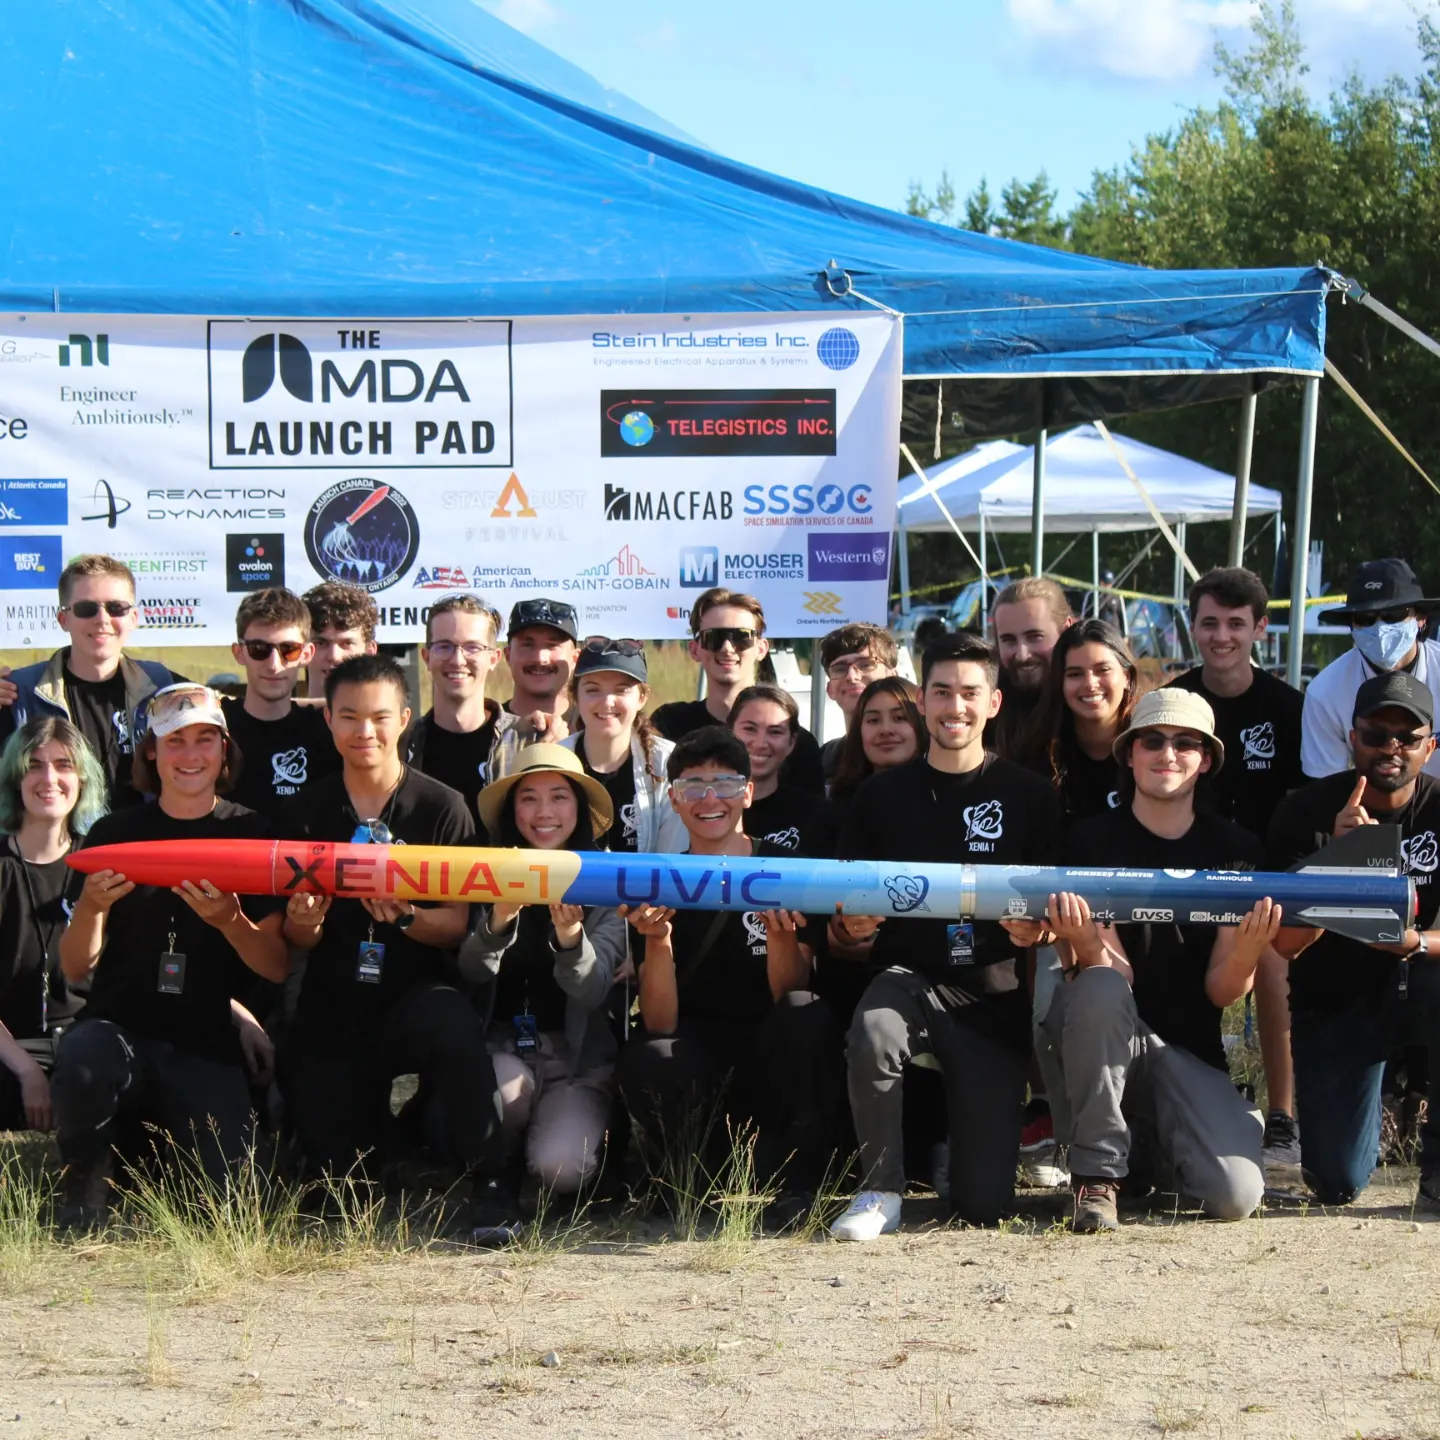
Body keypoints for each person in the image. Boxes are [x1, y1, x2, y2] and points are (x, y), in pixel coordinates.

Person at [1008, 689, 1274, 1233]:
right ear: (1129, 755)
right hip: (1107, 1034)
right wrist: (1083, 940)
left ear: (1206, 760)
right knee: (1101, 989)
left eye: (1185, 743)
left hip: (1189, 1054)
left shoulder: (1237, 849)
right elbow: (1116, 977)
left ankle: (1153, 1153)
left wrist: (1250, 949)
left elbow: (1223, 990)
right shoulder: (1088, 842)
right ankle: (1096, 1177)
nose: (1167, 754)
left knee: (1234, 1196)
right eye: (1152, 741)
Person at [830, 633, 1062, 1241]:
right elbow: (846, 913)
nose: (954, 707)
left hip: (990, 993)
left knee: (982, 1207)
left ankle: (955, 1162)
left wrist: (1037, 929)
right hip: (906, 978)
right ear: (923, 701)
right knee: (875, 1028)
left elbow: (1051, 914)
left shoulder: (1031, 796)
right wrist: (853, 923)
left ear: (993, 702)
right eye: (941, 692)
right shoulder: (879, 796)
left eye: (969, 693)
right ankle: (880, 1190)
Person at [52, 684, 288, 1227]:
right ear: (151, 752)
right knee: (86, 1060)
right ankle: (83, 1186)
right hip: (118, 1027)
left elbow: (275, 965)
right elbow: (74, 966)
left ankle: (149, 1162)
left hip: (204, 1037)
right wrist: (91, 907)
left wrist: (230, 920)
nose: (190, 754)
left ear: (225, 751)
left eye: (205, 739)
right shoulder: (114, 833)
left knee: (231, 1208)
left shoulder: (251, 834)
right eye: (174, 740)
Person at [276, 655, 497, 1219]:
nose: (364, 732)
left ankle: (492, 1183)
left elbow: (455, 927)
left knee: (453, 1024)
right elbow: (293, 938)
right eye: (349, 717)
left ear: (404, 719)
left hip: (415, 996)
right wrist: (305, 923)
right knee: (335, 1198)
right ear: (329, 719)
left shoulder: (444, 807)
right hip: (333, 1002)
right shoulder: (305, 811)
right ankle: (385, 1147)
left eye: (379, 717)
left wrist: (405, 918)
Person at [617, 726, 841, 1207]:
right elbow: (660, 1022)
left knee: (806, 1013)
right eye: (693, 786)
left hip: (769, 1054)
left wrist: (780, 936)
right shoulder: (659, 878)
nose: (709, 799)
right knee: (651, 1054)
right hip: (697, 1058)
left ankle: (798, 1181)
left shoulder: (787, 867)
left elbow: (791, 992)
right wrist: (658, 940)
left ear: (748, 792)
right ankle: (685, 1178)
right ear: (674, 800)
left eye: (724, 784)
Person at [1269, 671, 1440, 1208]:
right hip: (1338, 1001)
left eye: (1407, 737)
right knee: (1338, 1180)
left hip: (1423, 981)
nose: (1391, 748)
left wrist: (1416, 943)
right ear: (1352, 737)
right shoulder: (1305, 810)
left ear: (1431, 746)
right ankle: (1374, 1110)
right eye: (1375, 734)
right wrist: (1336, 862)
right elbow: (1284, 945)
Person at [1166, 565, 1305, 1166]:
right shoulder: (1175, 702)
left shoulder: (1288, 707)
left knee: (1272, 959)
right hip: (1189, 873)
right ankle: (1177, 1095)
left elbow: (1305, 802)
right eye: (1209, 623)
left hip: (1267, 878)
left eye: (1235, 624)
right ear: (1192, 626)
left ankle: (1283, 1116)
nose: (1221, 636)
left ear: (1260, 629)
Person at [459, 747, 627, 1200]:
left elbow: (593, 990)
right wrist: (498, 921)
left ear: (579, 808)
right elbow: (470, 971)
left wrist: (571, 937)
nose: (544, 812)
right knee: (502, 1095)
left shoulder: (607, 880)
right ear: (512, 810)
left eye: (559, 797)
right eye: (529, 798)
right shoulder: (484, 871)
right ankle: (499, 1165)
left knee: (563, 1168)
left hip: (576, 1062)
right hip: (501, 1048)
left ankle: (550, 1151)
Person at [0, 555, 181, 809]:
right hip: (59, 834)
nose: (102, 619)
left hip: (143, 832)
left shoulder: (161, 684)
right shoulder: (20, 691)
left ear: (133, 618)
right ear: (63, 619)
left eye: (116, 607)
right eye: (87, 608)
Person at [0, 718, 107, 1132]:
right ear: (15, 778)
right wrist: (27, 1071)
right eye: (34, 765)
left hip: (86, 1044)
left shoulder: (102, 865)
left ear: (82, 779)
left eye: (63, 765)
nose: (49, 779)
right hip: (9, 1046)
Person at [651, 587, 825, 793]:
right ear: (695, 650)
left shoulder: (796, 743)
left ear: (761, 648)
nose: (727, 648)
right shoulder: (669, 725)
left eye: (742, 637)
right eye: (714, 638)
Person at [406, 595, 539, 832]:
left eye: (472, 647)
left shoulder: (529, 742)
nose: (457, 660)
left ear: (494, 658)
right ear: (426, 657)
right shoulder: (401, 745)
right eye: (444, 646)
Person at [1302, 559, 1440, 780]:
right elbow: (1326, 785)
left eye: (1394, 614)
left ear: (1421, 618)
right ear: (1351, 625)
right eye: (1365, 618)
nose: (1380, 627)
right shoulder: (1324, 694)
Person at [222, 587, 340, 821]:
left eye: (289, 650)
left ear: (307, 654)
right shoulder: (215, 730)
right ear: (239, 653)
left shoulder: (329, 733)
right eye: (259, 649)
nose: (274, 665)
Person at [559, 638, 685, 854]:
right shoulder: (555, 760)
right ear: (575, 697)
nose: (607, 701)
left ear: (642, 697)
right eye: (593, 690)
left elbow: (670, 858)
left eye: (621, 690)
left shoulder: (668, 762)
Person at [1024, 619, 1140, 822]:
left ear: (1127, 678)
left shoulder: (1151, 746)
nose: (1090, 684)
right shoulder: (1038, 755)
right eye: (1075, 674)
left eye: (1103, 670)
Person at [728, 684, 821, 853]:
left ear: (791, 743)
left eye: (775, 732)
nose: (760, 743)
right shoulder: (707, 805)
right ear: (730, 733)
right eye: (750, 729)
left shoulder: (817, 816)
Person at [988, 578, 1075, 761]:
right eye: (1009, 640)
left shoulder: (1091, 694)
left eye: (1035, 637)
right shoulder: (984, 707)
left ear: (1066, 630)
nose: (1022, 655)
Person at [816, 623, 898, 780]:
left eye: (865, 664)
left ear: (893, 676)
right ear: (830, 689)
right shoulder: (825, 759)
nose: (851, 676)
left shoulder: (919, 751)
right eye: (840, 668)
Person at [502, 598, 580, 740]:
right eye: (528, 645)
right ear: (508, 655)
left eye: (552, 645)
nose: (540, 658)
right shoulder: (487, 726)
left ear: (575, 658)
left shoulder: (592, 726)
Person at [302, 582, 379, 700]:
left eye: (347, 643)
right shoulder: (281, 712)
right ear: (303, 651)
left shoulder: (391, 713)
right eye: (321, 643)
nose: (334, 656)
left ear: (369, 651)